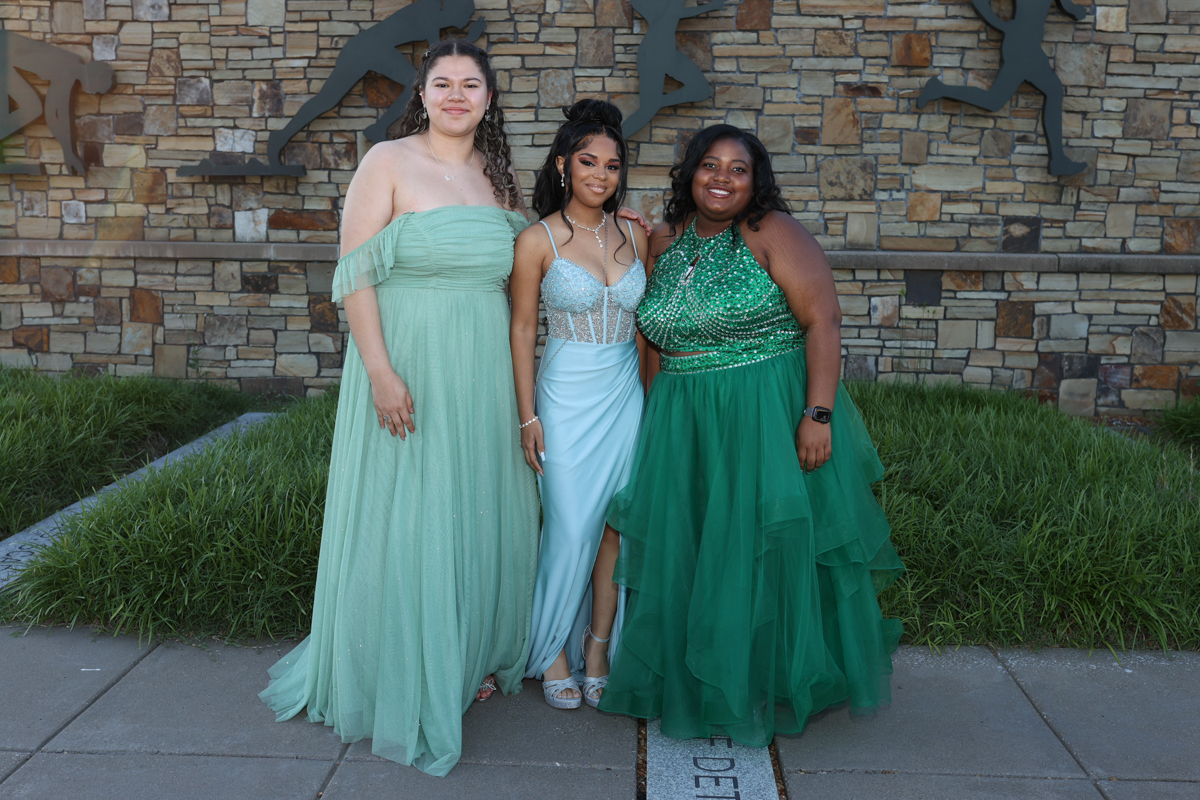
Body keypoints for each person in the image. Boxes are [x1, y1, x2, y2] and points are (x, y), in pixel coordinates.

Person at [259, 39, 539, 778]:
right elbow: (354, 272)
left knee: (468, 506)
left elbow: (540, 259)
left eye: (470, 84)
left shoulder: (499, 177)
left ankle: (463, 653)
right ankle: (395, 667)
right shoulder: (386, 161)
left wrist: (625, 228)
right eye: (442, 83)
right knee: (410, 509)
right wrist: (380, 371)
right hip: (405, 359)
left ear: (489, 98)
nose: (456, 95)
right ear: (421, 94)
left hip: (479, 371)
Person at [598, 125, 905, 746]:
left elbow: (823, 320)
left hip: (761, 410)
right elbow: (653, 337)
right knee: (700, 547)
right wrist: (657, 418)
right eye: (710, 165)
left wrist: (818, 414)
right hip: (685, 416)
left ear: (755, 180)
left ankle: (762, 680)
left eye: (738, 169)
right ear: (689, 173)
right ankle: (700, 678)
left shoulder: (772, 233)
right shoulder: (666, 238)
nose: (722, 178)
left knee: (759, 546)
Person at [509, 100, 649, 710]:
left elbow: (646, 328)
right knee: (568, 530)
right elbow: (521, 330)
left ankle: (596, 648)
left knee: (616, 527)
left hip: (624, 395)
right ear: (564, 164)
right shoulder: (536, 239)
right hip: (564, 397)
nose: (601, 174)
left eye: (612, 166)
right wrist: (528, 415)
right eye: (588, 161)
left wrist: (650, 399)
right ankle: (551, 654)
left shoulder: (636, 234)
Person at [916, 0, 1088, 176]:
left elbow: (1069, 8)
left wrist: (1077, 11)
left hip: (1026, 47)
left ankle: (939, 89)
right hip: (1022, 49)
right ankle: (1058, 161)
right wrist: (1001, 25)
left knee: (995, 100)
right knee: (1052, 91)